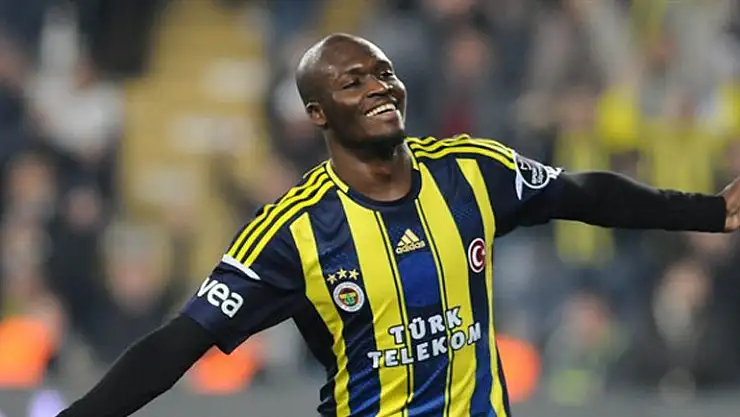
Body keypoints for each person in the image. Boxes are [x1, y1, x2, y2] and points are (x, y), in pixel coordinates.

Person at [57, 33, 740, 417]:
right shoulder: (293, 231)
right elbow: (177, 344)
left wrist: (708, 211)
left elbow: (583, 193)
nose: (379, 86)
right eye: (353, 81)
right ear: (318, 114)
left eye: (384, 73)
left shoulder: (470, 171)